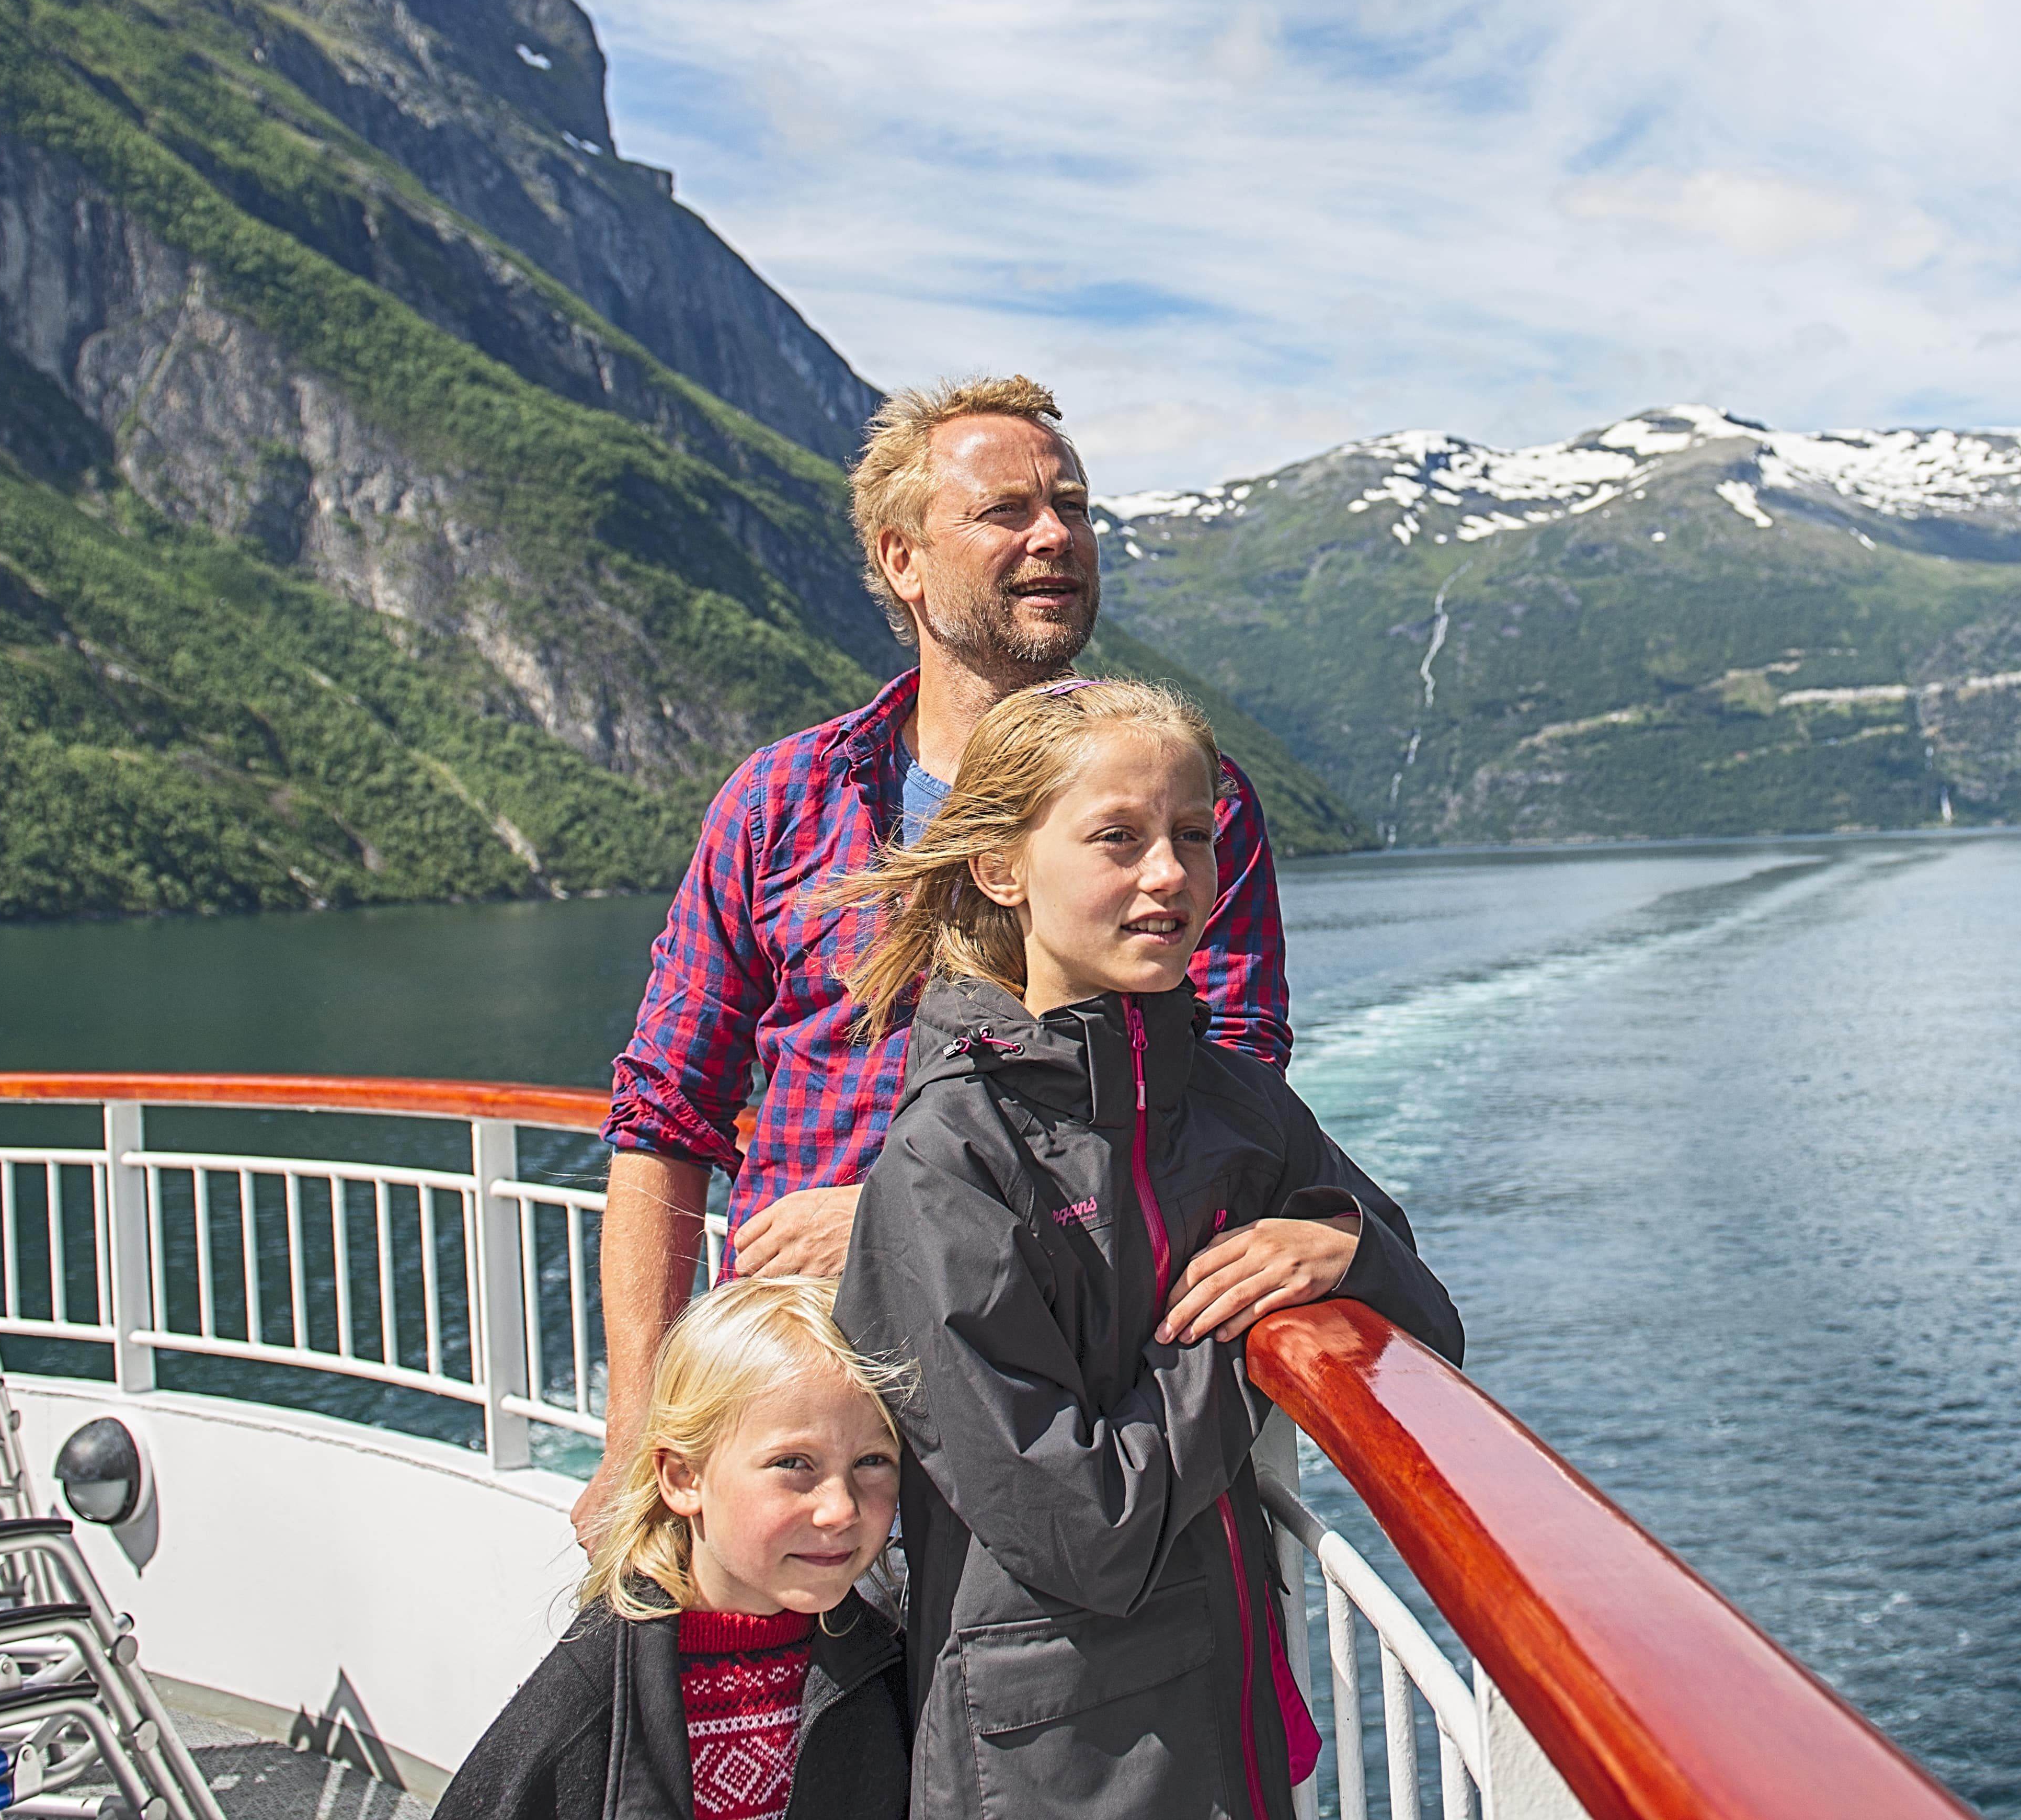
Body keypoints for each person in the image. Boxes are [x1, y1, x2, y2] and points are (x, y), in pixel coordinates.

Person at [584, 375, 1291, 1552]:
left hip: (1055, 1427)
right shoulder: (782, 801)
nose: (1056, 534)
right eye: (1007, 510)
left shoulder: (1189, 807)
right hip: (800, 1419)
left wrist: (896, 1220)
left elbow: (1231, 1114)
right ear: (902, 559)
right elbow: (664, 1116)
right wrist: (631, 1436)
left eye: (1073, 505)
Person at [828, 679, 1464, 1820]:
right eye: (1117, 838)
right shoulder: (950, 1161)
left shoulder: (1234, 1106)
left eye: (1192, 835)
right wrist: (1243, 1326)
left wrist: (1339, 1244)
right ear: (1001, 866)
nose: (1169, 873)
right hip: (1056, 1758)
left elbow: (1431, 1325)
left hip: (1228, 1714)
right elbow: (1083, 1524)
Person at [438, 1277, 911, 1820]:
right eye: (793, 1464)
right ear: (684, 1478)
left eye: (872, 1461)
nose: (842, 1509)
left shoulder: (887, 1669)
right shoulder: (588, 1697)